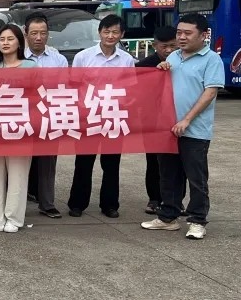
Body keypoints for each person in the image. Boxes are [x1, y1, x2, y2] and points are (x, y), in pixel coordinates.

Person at [143, 13, 225, 240]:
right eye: (179, 32)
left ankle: (197, 220)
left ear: (203, 35)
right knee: (168, 175)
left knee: (196, 178)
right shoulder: (174, 56)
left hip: (195, 131)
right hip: (168, 129)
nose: (181, 37)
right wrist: (161, 70)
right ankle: (168, 216)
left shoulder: (211, 59)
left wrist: (187, 120)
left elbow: (209, 93)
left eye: (188, 33)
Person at [66, 14, 135, 218]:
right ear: (99, 33)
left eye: (115, 32)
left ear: (122, 34)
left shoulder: (126, 59)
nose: (110, 36)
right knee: (84, 162)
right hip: (88, 117)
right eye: (107, 31)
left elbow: (130, 88)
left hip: (114, 117)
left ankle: (110, 205)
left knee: (112, 164)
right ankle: (77, 204)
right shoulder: (83, 57)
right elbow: (74, 86)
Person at [0, 25, 37, 233]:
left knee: (18, 175)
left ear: (19, 42)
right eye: (2, 39)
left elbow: (38, 96)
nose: (5, 43)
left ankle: (14, 218)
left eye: (10, 39)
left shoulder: (31, 67)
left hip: (21, 128)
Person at [23, 12, 69, 219]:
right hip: (22, 116)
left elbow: (63, 89)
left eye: (43, 33)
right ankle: (17, 204)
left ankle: (47, 203)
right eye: (34, 33)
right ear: (26, 34)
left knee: (47, 163)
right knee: (19, 162)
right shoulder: (17, 56)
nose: (38, 37)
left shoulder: (58, 59)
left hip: (48, 117)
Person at [136, 26, 183, 215]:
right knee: (154, 161)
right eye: (164, 46)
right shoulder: (143, 66)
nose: (169, 50)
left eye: (173, 46)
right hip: (152, 121)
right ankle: (154, 199)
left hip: (179, 119)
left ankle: (177, 200)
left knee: (179, 162)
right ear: (155, 45)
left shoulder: (183, 62)